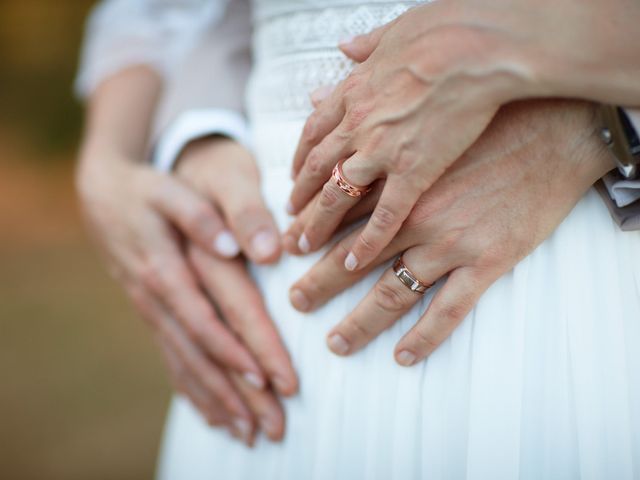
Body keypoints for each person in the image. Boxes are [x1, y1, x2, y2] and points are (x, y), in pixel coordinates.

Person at [75, 0, 640, 478]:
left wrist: (602, 126)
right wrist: (152, 146)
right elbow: (167, 16)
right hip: (269, 302)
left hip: (565, 257)